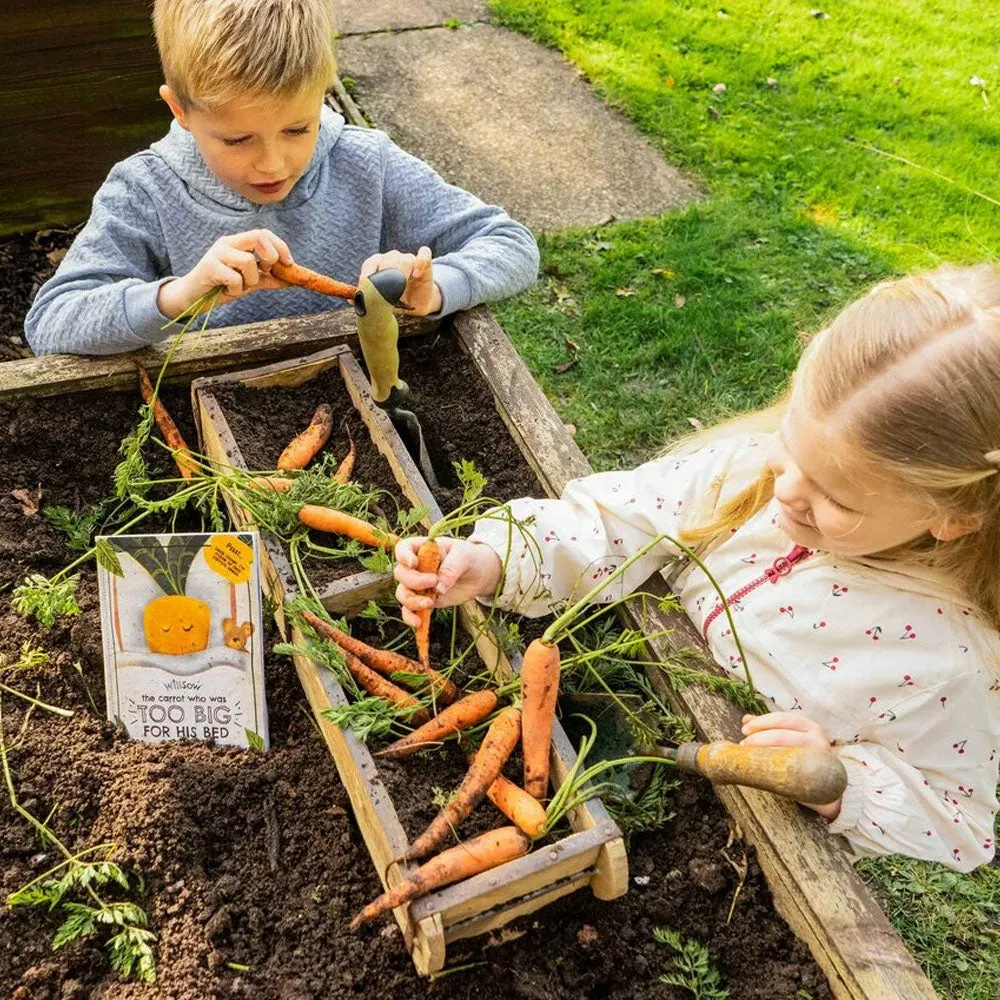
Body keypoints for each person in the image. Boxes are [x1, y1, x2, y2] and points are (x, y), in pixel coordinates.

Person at [395, 265, 1000, 872]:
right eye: (787, 446)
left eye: (835, 500)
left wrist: (847, 784)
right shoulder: (742, 477)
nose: (786, 490)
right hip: (630, 670)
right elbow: (614, 521)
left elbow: (959, 820)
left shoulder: (948, 665)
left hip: (737, 810)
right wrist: (495, 559)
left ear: (952, 516)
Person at [24, 0, 538, 356]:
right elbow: (51, 323)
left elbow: (512, 244)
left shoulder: (366, 161)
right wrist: (180, 296)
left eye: (297, 128)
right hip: (206, 418)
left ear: (322, 95)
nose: (273, 164)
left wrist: (433, 290)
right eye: (237, 140)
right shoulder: (144, 190)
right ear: (179, 109)